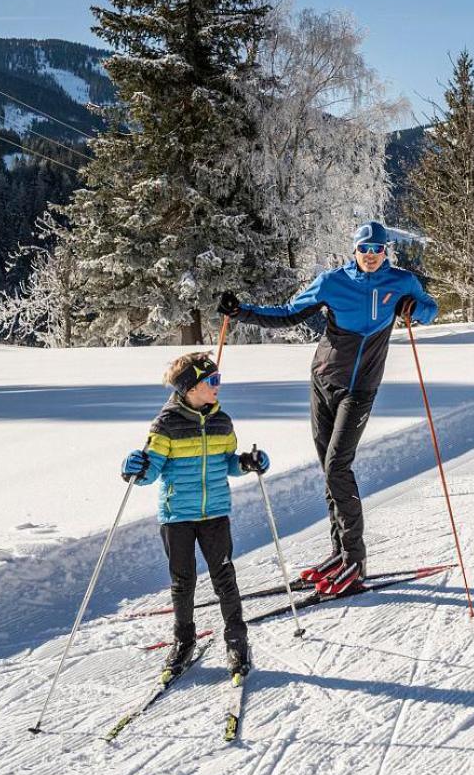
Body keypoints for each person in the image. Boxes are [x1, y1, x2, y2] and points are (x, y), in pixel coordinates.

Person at [219, 221, 437, 596]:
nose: (370, 256)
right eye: (364, 250)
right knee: (329, 470)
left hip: (361, 389)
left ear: (386, 251)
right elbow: (288, 313)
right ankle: (339, 552)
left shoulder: (401, 282)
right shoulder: (332, 282)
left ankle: (355, 557)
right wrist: (242, 312)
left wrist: (415, 307)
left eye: (377, 250)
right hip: (322, 382)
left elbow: (430, 311)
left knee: (338, 465)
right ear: (354, 250)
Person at [121, 352, 269, 677]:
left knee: (224, 579)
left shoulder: (222, 421)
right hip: (177, 517)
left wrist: (247, 463)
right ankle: (184, 641)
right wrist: (135, 469)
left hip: (215, 511)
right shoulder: (166, 425)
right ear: (191, 387)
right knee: (182, 582)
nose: (219, 386)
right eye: (212, 380)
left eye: (219, 379)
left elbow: (228, 462)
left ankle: (236, 640)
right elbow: (151, 472)